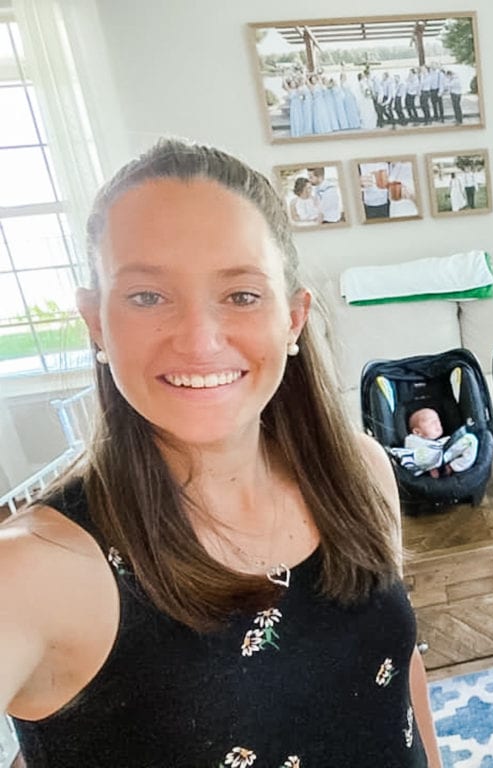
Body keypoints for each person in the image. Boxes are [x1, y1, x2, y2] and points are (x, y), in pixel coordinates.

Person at [0, 139, 442, 767]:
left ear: (292, 320)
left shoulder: (361, 473)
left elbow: (399, 674)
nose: (200, 340)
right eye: (148, 296)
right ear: (96, 321)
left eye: (240, 294)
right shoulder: (37, 568)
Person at [389, 407, 479, 478]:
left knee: (470, 439)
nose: (437, 424)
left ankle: (452, 466)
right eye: (432, 422)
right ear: (417, 432)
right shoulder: (413, 440)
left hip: (443, 453)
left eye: (438, 421)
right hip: (423, 458)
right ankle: (400, 458)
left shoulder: (445, 440)